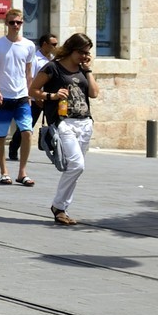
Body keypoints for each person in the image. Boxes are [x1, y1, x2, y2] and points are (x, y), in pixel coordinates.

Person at [30, 32, 99, 225]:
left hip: (85, 122)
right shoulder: (53, 67)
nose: (85, 56)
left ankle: (61, 208)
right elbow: (32, 90)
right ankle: (58, 206)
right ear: (71, 49)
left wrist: (88, 70)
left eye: (88, 53)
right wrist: (52, 95)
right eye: (82, 52)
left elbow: (93, 93)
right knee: (77, 165)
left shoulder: (83, 70)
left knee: (75, 169)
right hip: (64, 122)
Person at [0, 8, 37, 186]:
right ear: (6, 23)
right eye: (12, 22)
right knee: (0, 135)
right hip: (3, 97)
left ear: (22, 23)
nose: (15, 25)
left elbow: (29, 72)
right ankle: (4, 172)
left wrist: (30, 93)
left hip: (22, 96)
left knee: (27, 133)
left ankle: (22, 172)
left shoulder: (29, 46)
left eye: (19, 22)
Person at [9, 32, 57, 161]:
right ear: (44, 44)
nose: (55, 46)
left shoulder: (53, 59)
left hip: (51, 98)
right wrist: (33, 97)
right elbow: (30, 78)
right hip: (36, 98)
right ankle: (13, 148)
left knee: (56, 125)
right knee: (26, 126)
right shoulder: (35, 59)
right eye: (53, 44)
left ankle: (58, 152)